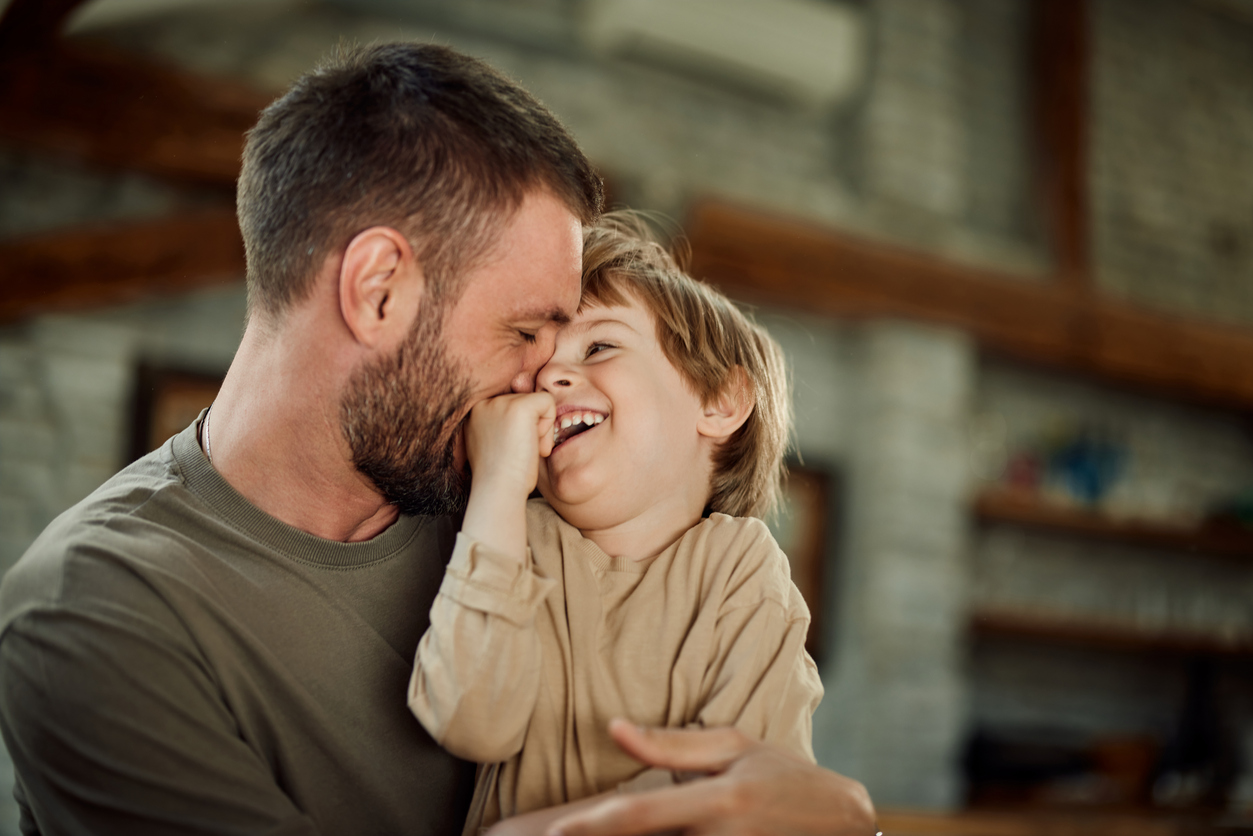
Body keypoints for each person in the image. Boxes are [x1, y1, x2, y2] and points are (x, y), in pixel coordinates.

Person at [0, 42, 876, 836]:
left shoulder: (516, 505)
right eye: (525, 332)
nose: (541, 380)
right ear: (378, 290)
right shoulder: (97, 607)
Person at [409, 211, 822, 836]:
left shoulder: (741, 567)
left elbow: (739, 793)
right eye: (536, 372)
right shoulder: (511, 538)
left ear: (719, 402)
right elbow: (469, 720)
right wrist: (496, 484)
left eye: (598, 347)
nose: (549, 379)